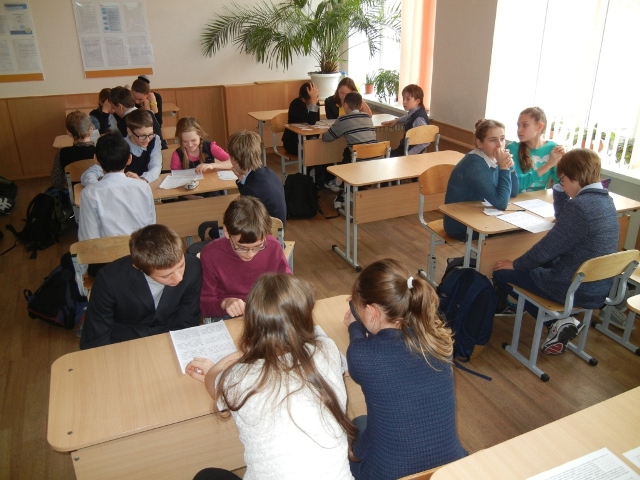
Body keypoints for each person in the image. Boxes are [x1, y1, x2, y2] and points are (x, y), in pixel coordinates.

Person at [187, 273, 356, 480]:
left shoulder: (239, 376)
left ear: (251, 323)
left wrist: (236, 356)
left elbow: (212, 381)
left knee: (207, 476)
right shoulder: (327, 348)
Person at [345, 258, 467, 479]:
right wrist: (359, 311)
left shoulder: (363, 356)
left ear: (371, 312)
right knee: (367, 423)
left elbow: (358, 342)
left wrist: (354, 324)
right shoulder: (437, 341)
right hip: (449, 467)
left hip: (390, 473)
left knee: (355, 427)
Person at [493, 148, 618, 355]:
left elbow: (546, 250)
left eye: (562, 180)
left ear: (574, 177)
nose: (562, 184)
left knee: (501, 273)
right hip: (598, 286)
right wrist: (560, 190)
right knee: (542, 264)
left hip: (572, 288)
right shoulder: (605, 200)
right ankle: (563, 322)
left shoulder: (580, 207)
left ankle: (555, 322)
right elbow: (564, 219)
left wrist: (515, 264)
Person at [80, 224, 202, 349]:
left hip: (170, 338)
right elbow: (96, 336)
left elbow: (187, 320)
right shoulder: (109, 280)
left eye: (181, 266)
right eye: (166, 276)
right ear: (139, 268)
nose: (179, 278)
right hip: (125, 343)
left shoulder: (194, 267)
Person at [200, 196, 291, 319]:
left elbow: (287, 287)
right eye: (241, 247)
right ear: (227, 232)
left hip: (266, 310)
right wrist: (225, 303)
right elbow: (204, 306)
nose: (250, 254)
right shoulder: (211, 254)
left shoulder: (273, 246)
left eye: (258, 246)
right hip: (229, 314)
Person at [443, 119, 519, 241]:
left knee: (520, 230)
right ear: (479, 143)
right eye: (493, 140)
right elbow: (501, 203)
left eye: (502, 139)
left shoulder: (494, 159)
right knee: (512, 234)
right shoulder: (474, 165)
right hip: (461, 225)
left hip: (480, 215)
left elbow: (514, 191)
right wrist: (504, 168)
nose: (499, 145)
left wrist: (510, 166)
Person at [77, 132, 156, 241]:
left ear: (95, 159)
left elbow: (88, 238)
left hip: (109, 250)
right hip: (141, 249)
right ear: (129, 159)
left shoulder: (89, 193)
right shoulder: (144, 187)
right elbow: (151, 226)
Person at [81, 109, 162, 185]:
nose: (147, 140)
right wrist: (99, 187)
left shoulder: (154, 140)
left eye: (150, 134)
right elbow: (89, 175)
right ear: (129, 131)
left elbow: (156, 165)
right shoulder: (118, 146)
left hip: (145, 185)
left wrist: (143, 179)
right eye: (142, 136)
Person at [322, 92, 377, 205]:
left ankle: (341, 188)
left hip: (359, 162)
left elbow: (327, 138)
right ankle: (344, 187)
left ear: (345, 105)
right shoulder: (367, 117)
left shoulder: (343, 119)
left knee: (348, 155)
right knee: (347, 153)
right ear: (360, 106)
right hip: (376, 159)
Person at [227, 130, 286, 225]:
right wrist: (241, 179)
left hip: (264, 231)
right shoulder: (268, 172)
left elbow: (244, 222)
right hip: (276, 229)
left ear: (235, 160)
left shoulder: (251, 189)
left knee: (207, 227)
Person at [507, 106, 564, 192]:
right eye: (518, 126)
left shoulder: (552, 148)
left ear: (540, 127)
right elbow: (517, 185)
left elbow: (563, 184)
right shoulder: (512, 148)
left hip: (540, 199)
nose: (519, 130)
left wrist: (565, 162)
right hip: (518, 199)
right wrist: (548, 165)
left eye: (525, 125)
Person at [51, 110, 96, 191]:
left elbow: (56, 182)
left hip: (72, 195)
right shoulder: (101, 152)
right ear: (91, 129)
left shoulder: (62, 153)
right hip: (97, 193)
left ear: (69, 133)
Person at [381, 84, 430, 156]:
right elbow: (408, 117)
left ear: (417, 101)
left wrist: (407, 155)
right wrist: (397, 120)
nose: (404, 102)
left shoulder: (419, 119)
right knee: (384, 154)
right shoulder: (417, 111)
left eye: (408, 99)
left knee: (383, 156)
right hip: (404, 150)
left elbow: (425, 142)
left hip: (408, 153)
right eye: (403, 98)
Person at [282, 82, 320, 156]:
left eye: (317, 97)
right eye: (313, 98)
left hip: (308, 139)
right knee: (311, 154)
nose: (316, 100)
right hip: (293, 142)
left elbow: (316, 122)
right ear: (303, 99)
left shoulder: (316, 103)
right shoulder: (296, 105)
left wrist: (313, 101)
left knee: (319, 151)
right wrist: (313, 103)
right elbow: (311, 121)